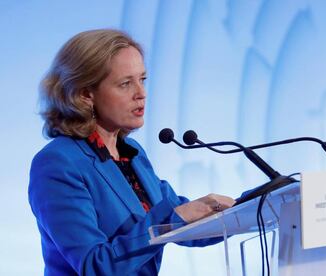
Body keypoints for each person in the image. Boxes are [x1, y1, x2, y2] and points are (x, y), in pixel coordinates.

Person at [28, 29, 235, 275]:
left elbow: (184, 225)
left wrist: (253, 203)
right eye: (126, 83)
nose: (141, 93)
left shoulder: (131, 153)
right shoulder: (58, 163)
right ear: (85, 94)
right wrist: (171, 221)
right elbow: (96, 265)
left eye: (142, 80)